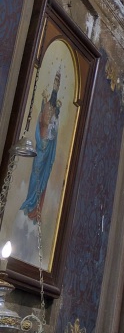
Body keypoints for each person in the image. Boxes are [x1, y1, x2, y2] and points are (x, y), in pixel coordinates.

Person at [21, 67, 62, 223]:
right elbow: (40, 123)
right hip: (40, 147)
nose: (56, 86)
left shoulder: (56, 110)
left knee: (43, 177)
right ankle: (30, 202)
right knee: (35, 175)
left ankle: (35, 207)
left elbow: (54, 132)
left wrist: (53, 127)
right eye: (55, 82)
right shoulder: (45, 104)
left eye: (58, 83)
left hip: (47, 149)